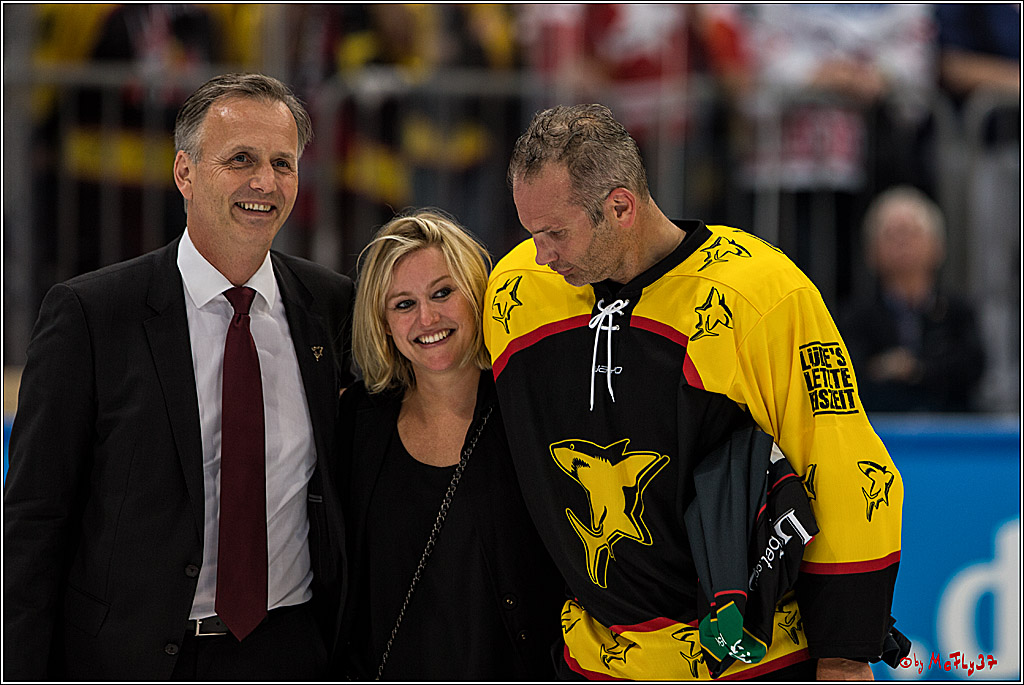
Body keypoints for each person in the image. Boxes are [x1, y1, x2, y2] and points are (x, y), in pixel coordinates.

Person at [483, 104, 906, 680]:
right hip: (595, 662)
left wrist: (845, 651)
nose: (540, 254)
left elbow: (843, 464)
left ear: (621, 207)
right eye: (529, 232)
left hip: (748, 660)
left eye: (555, 233)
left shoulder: (761, 292)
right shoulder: (519, 291)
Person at [3, 73, 355, 680]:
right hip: (133, 660)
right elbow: (34, 522)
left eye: (282, 163)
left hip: (291, 654)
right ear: (184, 173)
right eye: (240, 159)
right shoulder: (91, 315)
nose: (265, 183)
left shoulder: (331, 308)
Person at [334, 209, 563, 680]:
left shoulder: (529, 407)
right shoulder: (356, 421)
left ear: (477, 294)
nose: (427, 317)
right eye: (403, 304)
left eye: (442, 293)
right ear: (383, 323)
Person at [841, 186, 986, 413]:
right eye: (891, 234)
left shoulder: (959, 312)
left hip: (952, 433)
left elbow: (973, 368)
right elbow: (851, 375)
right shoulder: (855, 317)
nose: (902, 243)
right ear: (871, 251)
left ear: (938, 246)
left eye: (911, 232)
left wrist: (915, 369)